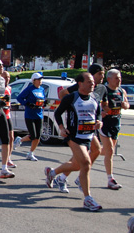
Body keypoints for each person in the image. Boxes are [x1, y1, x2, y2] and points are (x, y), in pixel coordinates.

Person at [44, 72, 103, 211]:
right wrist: (61, 128)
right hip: (74, 136)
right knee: (86, 163)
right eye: (89, 81)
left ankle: (52, 173)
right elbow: (57, 113)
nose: (92, 83)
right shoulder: (71, 98)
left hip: (89, 135)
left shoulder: (94, 97)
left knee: (77, 165)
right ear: (80, 84)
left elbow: (98, 112)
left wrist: (99, 121)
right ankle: (88, 199)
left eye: (93, 81)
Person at [54, 63, 107, 193]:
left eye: (103, 74)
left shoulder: (101, 88)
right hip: (76, 129)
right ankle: (70, 176)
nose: (101, 77)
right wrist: (70, 108)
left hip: (90, 128)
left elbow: (102, 105)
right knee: (82, 161)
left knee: (96, 151)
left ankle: (75, 175)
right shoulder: (79, 87)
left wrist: (100, 117)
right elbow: (63, 94)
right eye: (99, 74)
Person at [100, 68, 130, 190]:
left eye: (120, 78)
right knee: (110, 151)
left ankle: (88, 154)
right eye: (117, 78)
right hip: (104, 124)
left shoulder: (121, 91)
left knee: (106, 151)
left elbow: (127, 104)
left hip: (116, 124)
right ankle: (110, 179)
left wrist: (125, 105)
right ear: (109, 79)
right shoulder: (103, 90)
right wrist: (102, 112)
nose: (119, 80)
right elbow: (97, 107)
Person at [14, 72, 46, 161]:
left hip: (39, 115)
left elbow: (42, 99)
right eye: (38, 80)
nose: (40, 81)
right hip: (29, 115)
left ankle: (30, 153)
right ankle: (19, 140)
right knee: (33, 135)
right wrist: (27, 103)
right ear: (34, 80)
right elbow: (19, 98)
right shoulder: (29, 89)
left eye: (41, 79)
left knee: (38, 136)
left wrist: (44, 103)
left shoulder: (42, 89)